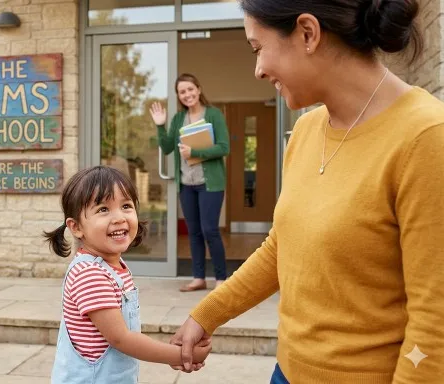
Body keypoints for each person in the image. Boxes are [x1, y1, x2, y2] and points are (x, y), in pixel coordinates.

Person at [170, 0, 444, 382]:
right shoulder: (305, 131)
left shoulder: (425, 138)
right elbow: (282, 247)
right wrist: (208, 312)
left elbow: (435, 321)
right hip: (286, 372)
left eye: (258, 48)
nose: (258, 69)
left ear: (307, 33)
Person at [43, 166, 212, 384]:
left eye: (126, 206)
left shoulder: (113, 265)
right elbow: (121, 339)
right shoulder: (90, 275)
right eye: (103, 209)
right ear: (76, 227)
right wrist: (180, 355)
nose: (119, 217)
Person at [149, 73, 231, 292]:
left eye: (190, 89)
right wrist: (160, 125)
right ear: (179, 96)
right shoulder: (178, 119)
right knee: (193, 231)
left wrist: (194, 152)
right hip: (186, 184)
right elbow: (167, 148)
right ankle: (198, 278)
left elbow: (224, 147)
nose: (187, 94)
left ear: (199, 89)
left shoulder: (213, 114)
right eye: (182, 92)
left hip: (210, 183)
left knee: (210, 230)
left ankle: (221, 279)